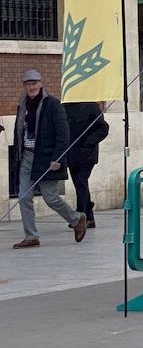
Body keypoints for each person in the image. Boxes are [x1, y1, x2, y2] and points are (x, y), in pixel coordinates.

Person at [10, 70, 86, 248]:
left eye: (35, 83)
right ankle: (31, 236)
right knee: (23, 197)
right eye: (28, 83)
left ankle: (77, 219)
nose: (32, 86)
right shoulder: (22, 103)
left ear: (41, 83)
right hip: (26, 156)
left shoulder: (53, 104)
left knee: (50, 197)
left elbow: (63, 133)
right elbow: (19, 131)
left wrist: (58, 157)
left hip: (46, 157)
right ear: (24, 86)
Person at [61, 98, 108, 229]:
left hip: (87, 154)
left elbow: (103, 128)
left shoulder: (92, 106)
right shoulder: (64, 107)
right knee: (79, 184)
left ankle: (80, 216)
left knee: (81, 181)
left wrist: (89, 142)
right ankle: (89, 217)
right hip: (71, 153)